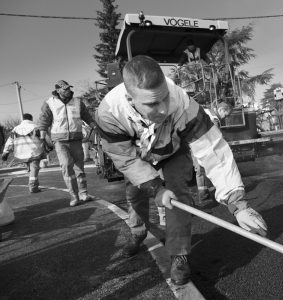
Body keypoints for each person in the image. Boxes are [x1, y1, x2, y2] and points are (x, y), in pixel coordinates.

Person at [95, 55, 267, 285]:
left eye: (164, 98)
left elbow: (214, 151)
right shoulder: (108, 113)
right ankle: (138, 233)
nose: (164, 109)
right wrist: (155, 187)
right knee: (135, 196)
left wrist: (238, 204)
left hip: (172, 151)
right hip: (138, 157)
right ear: (130, 98)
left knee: (179, 196)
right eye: (152, 104)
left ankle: (179, 255)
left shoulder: (184, 104)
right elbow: (125, 159)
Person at [38, 80, 97, 207]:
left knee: (79, 169)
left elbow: (86, 116)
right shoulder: (50, 103)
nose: (68, 91)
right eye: (64, 89)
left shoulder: (77, 102)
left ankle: (84, 193)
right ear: (58, 90)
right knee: (66, 166)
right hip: (59, 140)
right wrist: (42, 137)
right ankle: (74, 196)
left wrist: (95, 127)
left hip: (76, 139)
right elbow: (44, 120)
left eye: (68, 88)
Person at [1, 114, 48, 193]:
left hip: (20, 153)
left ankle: (33, 183)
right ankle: (33, 186)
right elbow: (45, 137)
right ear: (31, 119)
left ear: (23, 119)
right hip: (34, 151)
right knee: (34, 168)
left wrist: (5, 152)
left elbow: (10, 141)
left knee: (31, 169)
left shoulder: (15, 129)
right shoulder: (36, 127)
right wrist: (50, 146)